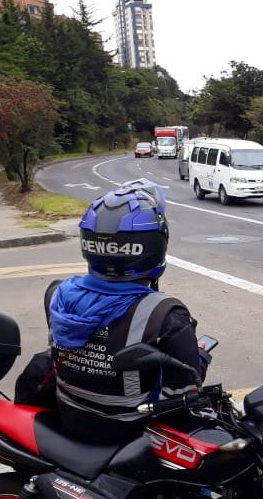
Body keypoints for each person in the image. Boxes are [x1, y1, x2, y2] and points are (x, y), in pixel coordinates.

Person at [45, 179, 211, 443]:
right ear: (156, 245)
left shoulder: (57, 294)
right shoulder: (166, 315)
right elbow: (184, 393)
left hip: (71, 416)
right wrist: (200, 356)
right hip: (131, 436)